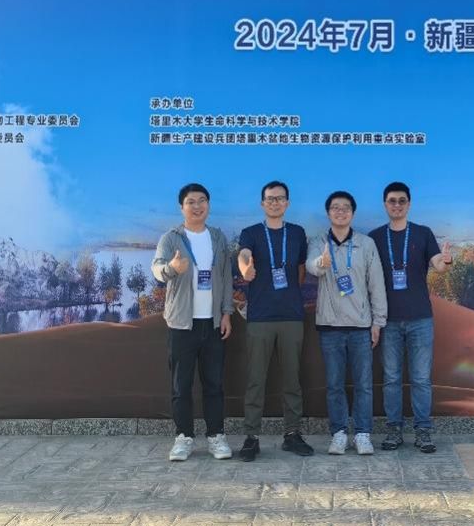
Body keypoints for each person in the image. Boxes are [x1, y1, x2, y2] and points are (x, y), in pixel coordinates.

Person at [151, 183, 234, 462]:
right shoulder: (171, 238)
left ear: (208, 205)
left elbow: (226, 277)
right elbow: (157, 270)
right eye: (191, 202)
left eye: (202, 201)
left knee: (214, 384)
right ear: (182, 207)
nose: (197, 206)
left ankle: (216, 436)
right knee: (181, 385)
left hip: (213, 323)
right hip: (181, 324)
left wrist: (226, 313)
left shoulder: (217, 237)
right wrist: (172, 269)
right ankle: (184, 437)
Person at [369, 181, 450, 453]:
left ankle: (423, 431)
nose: (397, 205)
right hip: (388, 320)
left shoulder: (422, 233)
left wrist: (446, 261)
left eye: (402, 201)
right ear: (385, 204)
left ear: (409, 204)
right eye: (392, 201)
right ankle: (394, 429)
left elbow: (438, 265)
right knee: (391, 378)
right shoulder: (375, 238)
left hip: (420, 319)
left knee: (421, 378)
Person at [236, 180, 313, 462]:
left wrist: (288, 295)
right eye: (270, 199)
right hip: (260, 317)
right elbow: (244, 254)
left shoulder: (297, 233)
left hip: (291, 316)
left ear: (287, 203)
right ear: (262, 203)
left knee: (292, 379)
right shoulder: (251, 233)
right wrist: (245, 269)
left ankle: (292, 434)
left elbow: (301, 271)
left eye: (280, 198)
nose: (275, 203)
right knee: (256, 379)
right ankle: (251, 437)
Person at [306, 190, 386, 455]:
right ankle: (339, 433)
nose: (340, 212)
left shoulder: (366, 244)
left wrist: (378, 322)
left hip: (361, 326)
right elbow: (311, 267)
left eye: (346, 208)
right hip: (330, 326)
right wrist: (322, 262)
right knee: (334, 384)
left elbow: (376, 284)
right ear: (328, 212)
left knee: (364, 384)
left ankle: (363, 433)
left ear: (353, 213)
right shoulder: (318, 241)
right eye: (335, 208)